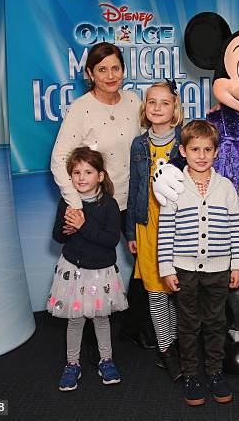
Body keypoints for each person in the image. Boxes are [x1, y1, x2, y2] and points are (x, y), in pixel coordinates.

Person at [50, 42, 157, 363]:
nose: (110, 75)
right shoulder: (80, 109)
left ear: (123, 70)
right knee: (95, 267)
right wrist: (76, 204)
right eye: (102, 69)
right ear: (89, 74)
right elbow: (59, 160)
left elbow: (145, 146)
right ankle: (91, 339)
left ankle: (134, 326)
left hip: (132, 199)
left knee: (143, 261)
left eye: (115, 68)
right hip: (95, 204)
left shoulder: (134, 102)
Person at [158, 120, 239, 406]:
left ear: (216, 152)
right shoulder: (176, 187)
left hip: (219, 270)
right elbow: (166, 229)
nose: (201, 155)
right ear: (182, 151)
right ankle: (191, 375)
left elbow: (236, 229)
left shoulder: (226, 188)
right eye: (195, 149)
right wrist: (167, 267)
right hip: (184, 270)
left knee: (215, 323)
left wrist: (237, 264)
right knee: (188, 324)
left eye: (208, 149)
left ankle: (215, 372)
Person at [48, 147, 128, 391]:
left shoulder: (110, 205)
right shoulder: (67, 203)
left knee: (101, 319)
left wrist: (82, 226)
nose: (81, 177)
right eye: (76, 172)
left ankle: (107, 360)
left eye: (88, 172)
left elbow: (110, 240)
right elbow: (57, 238)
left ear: (100, 176)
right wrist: (67, 228)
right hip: (74, 271)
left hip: (100, 273)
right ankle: (72, 364)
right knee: (75, 320)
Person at [125, 80, 184, 381]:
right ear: (145, 109)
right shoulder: (139, 144)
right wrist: (131, 233)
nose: (158, 108)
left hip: (179, 228)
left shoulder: (184, 143)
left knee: (176, 289)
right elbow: (135, 187)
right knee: (156, 291)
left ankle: (177, 345)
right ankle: (166, 349)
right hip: (147, 228)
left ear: (175, 109)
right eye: (152, 102)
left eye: (164, 102)